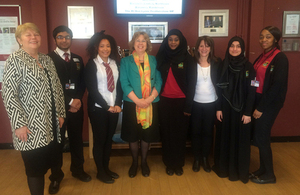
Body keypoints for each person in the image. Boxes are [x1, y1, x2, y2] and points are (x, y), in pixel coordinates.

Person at [2, 23, 65, 195]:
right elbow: (9, 94)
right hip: (30, 126)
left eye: (36, 34)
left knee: (52, 160)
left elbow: (58, 88)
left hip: (51, 124)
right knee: (35, 168)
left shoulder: (46, 59)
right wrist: (18, 124)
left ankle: (54, 181)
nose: (33, 37)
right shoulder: (15, 60)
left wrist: (60, 114)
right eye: (28, 35)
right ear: (19, 40)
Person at [48, 25, 90, 194]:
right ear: (55, 39)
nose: (64, 40)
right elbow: (51, 86)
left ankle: (78, 170)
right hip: (57, 109)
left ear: (71, 39)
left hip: (77, 107)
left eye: (67, 37)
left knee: (77, 140)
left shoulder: (78, 59)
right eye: (60, 37)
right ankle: (56, 177)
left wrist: (78, 99)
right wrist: (70, 101)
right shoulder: (47, 59)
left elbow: (82, 82)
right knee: (57, 143)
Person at [213, 36, 256, 183]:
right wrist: (218, 109)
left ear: (242, 49)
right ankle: (223, 169)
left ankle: (238, 171)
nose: (235, 49)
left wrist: (248, 112)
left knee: (240, 141)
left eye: (238, 46)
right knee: (224, 138)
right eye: (232, 45)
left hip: (242, 110)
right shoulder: (222, 65)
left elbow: (252, 91)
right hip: (224, 109)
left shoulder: (249, 67)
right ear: (228, 47)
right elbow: (218, 89)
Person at [120, 31, 162, 178]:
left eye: (143, 41)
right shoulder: (125, 61)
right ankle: (134, 163)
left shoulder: (154, 60)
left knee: (146, 135)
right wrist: (138, 101)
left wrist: (149, 99)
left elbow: (158, 81)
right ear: (133, 43)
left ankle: (144, 162)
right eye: (138, 40)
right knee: (133, 135)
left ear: (147, 44)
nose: (140, 43)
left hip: (150, 103)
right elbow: (124, 84)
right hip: (133, 104)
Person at [250, 26, 289, 184]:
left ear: (275, 39)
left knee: (262, 136)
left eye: (268, 37)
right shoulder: (261, 56)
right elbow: (255, 79)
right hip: (258, 99)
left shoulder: (280, 58)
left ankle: (269, 175)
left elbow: (277, 86)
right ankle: (263, 169)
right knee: (260, 136)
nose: (263, 40)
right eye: (261, 37)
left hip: (269, 103)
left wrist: (261, 108)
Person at [156, 29, 196, 176]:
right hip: (164, 102)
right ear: (167, 40)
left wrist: (188, 106)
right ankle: (168, 163)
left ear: (181, 41)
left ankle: (178, 164)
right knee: (166, 134)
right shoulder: (161, 57)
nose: (173, 42)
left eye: (176, 39)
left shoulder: (188, 59)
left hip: (182, 103)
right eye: (170, 39)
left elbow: (192, 84)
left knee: (180, 135)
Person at [85, 31, 122, 183]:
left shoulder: (114, 63)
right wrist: (106, 106)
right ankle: (100, 172)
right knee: (100, 141)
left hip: (114, 108)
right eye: (102, 46)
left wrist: (118, 104)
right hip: (98, 109)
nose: (105, 49)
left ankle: (106, 168)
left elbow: (119, 87)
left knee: (108, 140)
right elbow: (92, 90)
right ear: (96, 48)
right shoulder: (92, 64)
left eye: (108, 46)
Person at [190, 36, 221, 173]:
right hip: (195, 103)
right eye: (201, 46)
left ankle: (204, 158)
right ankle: (196, 159)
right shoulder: (191, 63)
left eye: (207, 46)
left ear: (211, 48)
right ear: (197, 48)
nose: (204, 49)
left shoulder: (217, 62)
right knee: (195, 132)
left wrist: (219, 108)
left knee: (208, 133)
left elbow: (220, 86)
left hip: (211, 104)